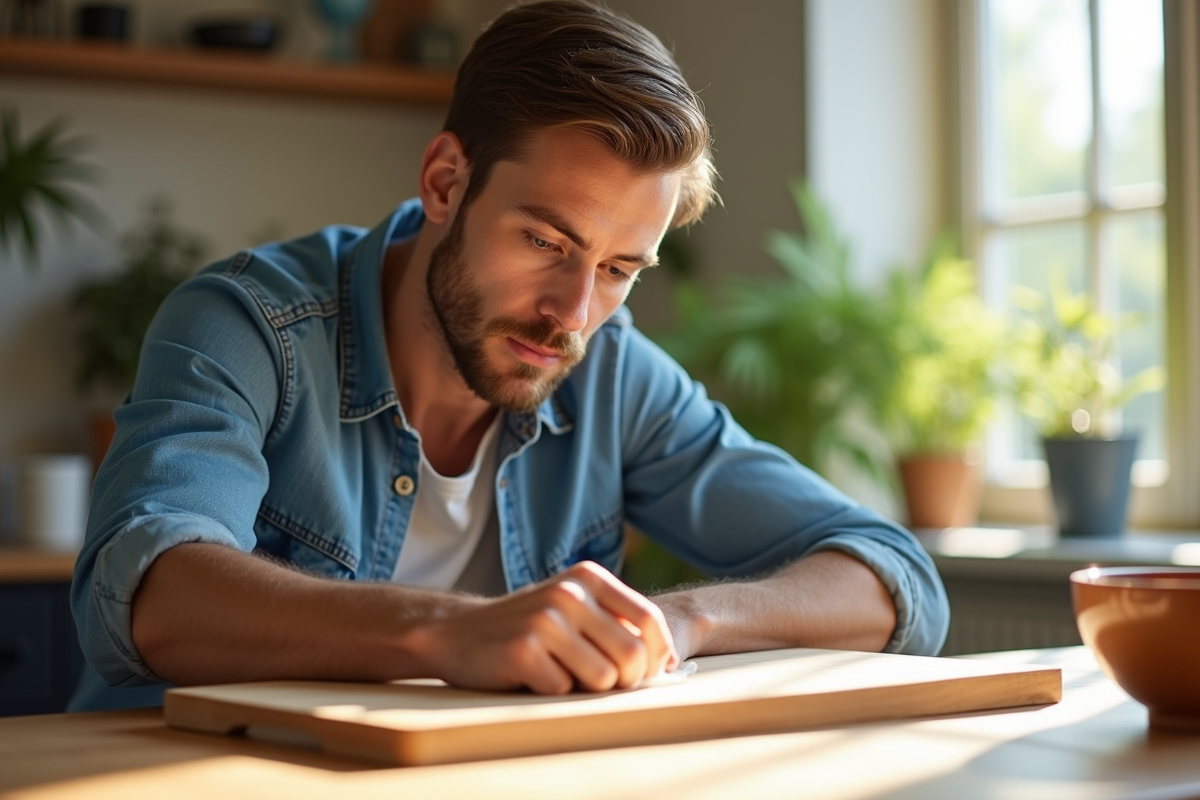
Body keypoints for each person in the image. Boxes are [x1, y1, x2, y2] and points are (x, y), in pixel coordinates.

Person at [69, 0, 949, 712]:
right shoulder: (249, 324)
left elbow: (892, 575)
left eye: (617, 269)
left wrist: (680, 621)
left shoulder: (612, 371)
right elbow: (153, 594)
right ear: (446, 181)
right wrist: (450, 633)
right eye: (543, 241)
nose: (574, 313)